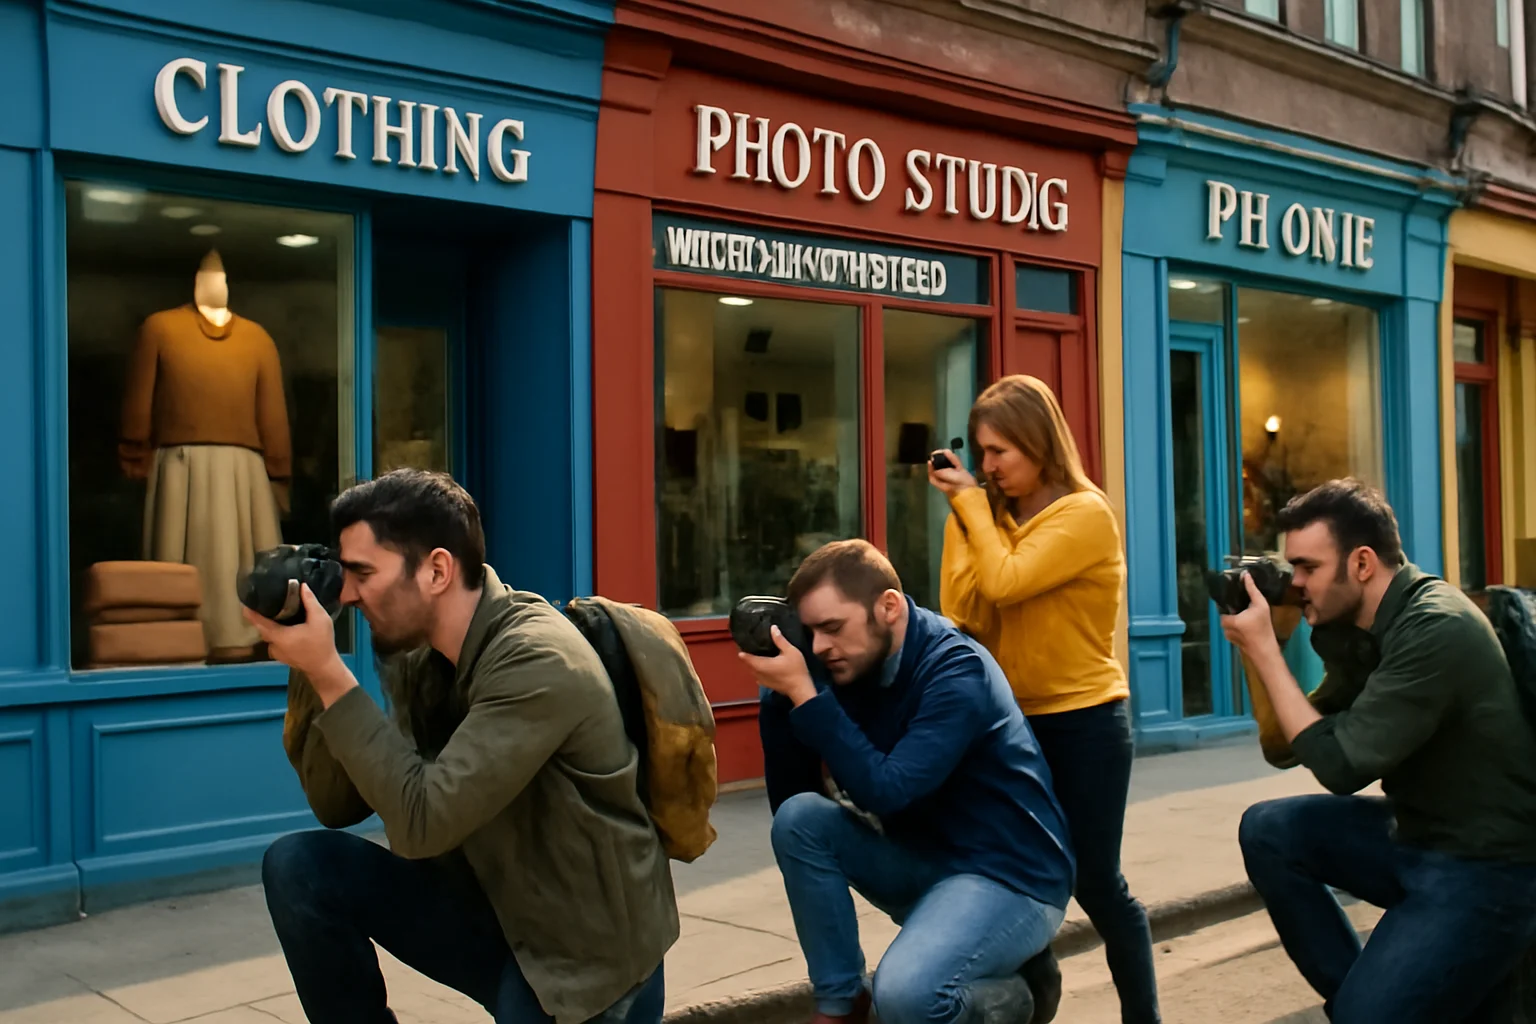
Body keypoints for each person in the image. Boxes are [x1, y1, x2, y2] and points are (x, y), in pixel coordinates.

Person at [246, 469, 677, 1024]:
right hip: (493, 913)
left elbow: (423, 821)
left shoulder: (538, 659)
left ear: (437, 570)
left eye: (363, 573)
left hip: (582, 960)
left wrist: (328, 670)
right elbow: (338, 806)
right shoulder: (421, 654)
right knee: (298, 865)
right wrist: (308, 663)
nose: (348, 593)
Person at [1222, 478, 1536, 1023]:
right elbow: (1284, 745)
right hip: (1415, 838)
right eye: (1290, 568)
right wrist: (1264, 644)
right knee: (1269, 830)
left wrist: (1267, 651)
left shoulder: (1434, 627)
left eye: (1308, 568)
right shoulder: (1361, 627)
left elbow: (1343, 767)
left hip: (1489, 870)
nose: (1296, 584)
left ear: (1362, 563)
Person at [745, 539, 1075, 1024]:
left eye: (832, 628)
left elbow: (889, 789)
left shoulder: (957, 670)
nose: (818, 648)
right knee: (800, 820)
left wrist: (805, 693)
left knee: (906, 996)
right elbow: (793, 799)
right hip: (922, 862)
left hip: (1010, 875)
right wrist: (782, 700)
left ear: (889, 607)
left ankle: (1019, 995)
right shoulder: (845, 662)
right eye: (809, 632)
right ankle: (843, 1004)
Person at [929, 374, 1159, 1024]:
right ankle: (1038, 1005)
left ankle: (1145, 1017)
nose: (989, 466)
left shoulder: (1085, 515)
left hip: (1086, 722)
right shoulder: (995, 519)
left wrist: (973, 509)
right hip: (1015, 725)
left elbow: (1006, 583)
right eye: (982, 451)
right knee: (1018, 876)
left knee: (1096, 883)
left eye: (1001, 450)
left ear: (1038, 442)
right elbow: (964, 610)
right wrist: (964, 515)